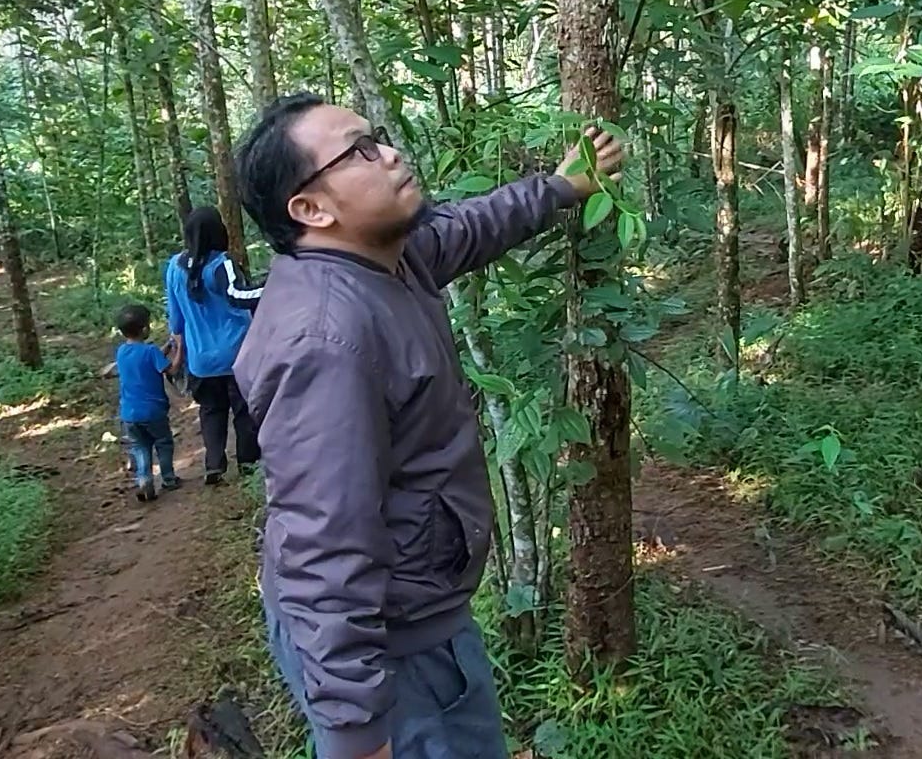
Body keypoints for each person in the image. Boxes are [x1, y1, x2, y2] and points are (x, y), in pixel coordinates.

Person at [233, 94, 622, 759]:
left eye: (377, 137)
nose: (388, 153)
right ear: (311, 208)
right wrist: (357, 732)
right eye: (359, 151)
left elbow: (467, 228)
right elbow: (323, 542)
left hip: (419, 615)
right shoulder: (327, 339)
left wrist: (560, 188)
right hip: (393, 655)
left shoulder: (383, 260)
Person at [165, 206, 264, 485]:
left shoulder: (174, 267)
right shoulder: (222, 264)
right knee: (244, 411)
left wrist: (179, 353)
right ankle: (248, 465)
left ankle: (214, 465)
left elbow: (175, 318)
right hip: (237, 354)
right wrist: (277, 285)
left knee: (211, 411)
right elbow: (239, 295)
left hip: (200, 360)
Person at [103, 303, 182, 502]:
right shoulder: (151, 352)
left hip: (129, 413)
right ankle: (169, 479)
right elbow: (170, 370)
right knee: (163, 443)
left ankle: (144, 480)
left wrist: (165, 348)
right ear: (146, 329)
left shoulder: (121, 352)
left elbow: (146, 360)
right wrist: (179, 349)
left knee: (140, 447)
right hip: (153, 411)